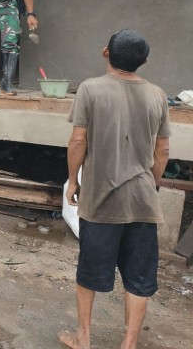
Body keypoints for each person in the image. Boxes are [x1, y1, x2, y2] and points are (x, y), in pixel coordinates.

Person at [58, 29, 170, 349]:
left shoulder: (90, 90)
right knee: (138, 277)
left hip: (101, 200)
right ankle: (129, 344)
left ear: (105, 52)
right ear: (144, 61)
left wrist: (74, 181)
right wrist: (152, 183)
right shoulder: (158, 95)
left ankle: (83, 338)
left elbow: (78, 140)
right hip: (144, 201)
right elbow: (161, 152)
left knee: (90, 271)